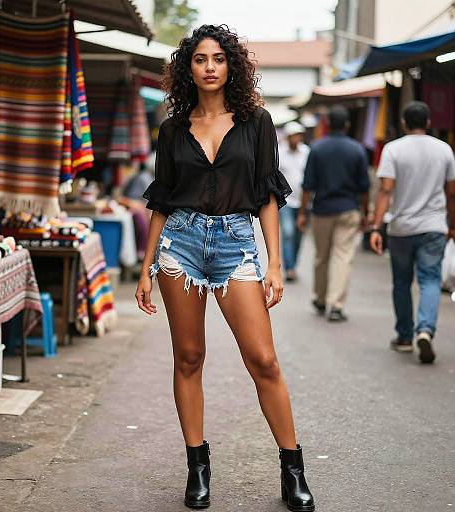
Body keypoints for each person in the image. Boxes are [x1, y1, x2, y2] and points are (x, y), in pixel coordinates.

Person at [136, 25, 315, 512]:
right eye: (200, 59)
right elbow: (162, 200)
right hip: (181, 246)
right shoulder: (172, 128)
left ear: (231, 66)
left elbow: (268, 196)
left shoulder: (257, 122)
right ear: (187, 68)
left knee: (264, 360)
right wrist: (146, 265)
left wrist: (275, 263)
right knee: (189, 357)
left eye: (219, 58)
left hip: (237, 245)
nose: (210, 66)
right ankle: (197, 466)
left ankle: (292, 468)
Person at [370, 101, 455, 363]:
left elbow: (385, 189)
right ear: (429, 123)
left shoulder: (393, 150)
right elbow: (451, 191)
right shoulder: (444, 150)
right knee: (430, 280)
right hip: (434, 226)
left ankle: (405, 337)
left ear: (404, 123)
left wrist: (376, 226)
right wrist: (452, 223)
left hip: (401, 228)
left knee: (402, 283)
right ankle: (425, 330)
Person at [297, 105, 369, 322]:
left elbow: (307, 185)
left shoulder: (317, 149)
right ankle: (336, 305)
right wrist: (365, 212)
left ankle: (320, 298)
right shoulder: (357, 149)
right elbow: (364, 186)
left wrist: (302, 212)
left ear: (327, 124)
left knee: (321, 257)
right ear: (347, 124)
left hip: (322, 210)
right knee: (343, 257)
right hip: (348, 209)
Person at [278, 121, 310, 282]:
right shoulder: (280, 153)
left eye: (298, 135)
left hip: (303, 201)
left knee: (299, 235)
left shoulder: (306, 152)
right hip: (286, 201)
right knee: (288, 233)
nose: (296, 139)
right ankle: (289, 268)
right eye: (293, 136)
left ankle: (293, 264)